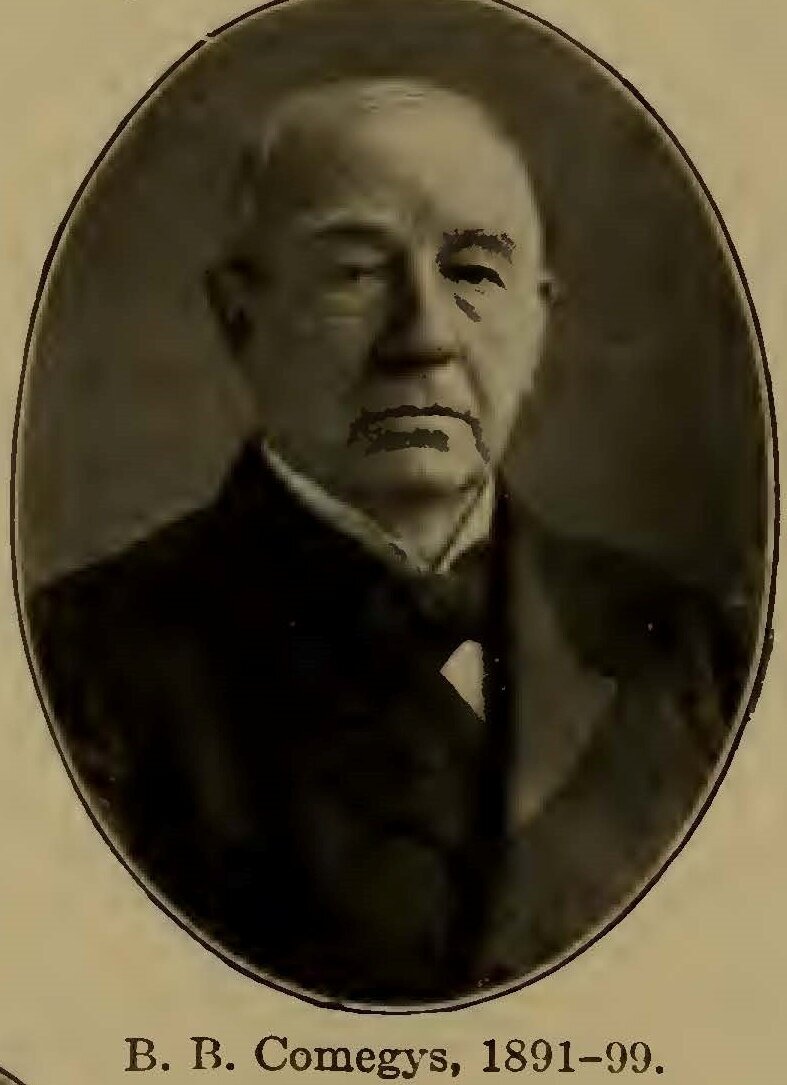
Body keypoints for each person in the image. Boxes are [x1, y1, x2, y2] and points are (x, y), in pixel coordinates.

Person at [28, 79, 750, 1004]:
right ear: (239, 317)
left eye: (475, 273)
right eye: (355, 274)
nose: (423, 338)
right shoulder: (73, 674)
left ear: (538, 317)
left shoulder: (699, 661)